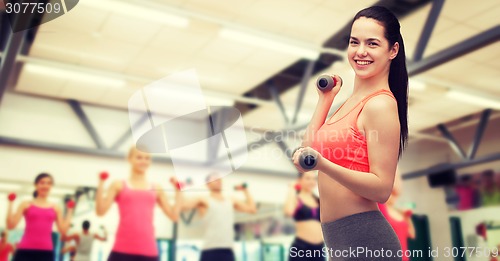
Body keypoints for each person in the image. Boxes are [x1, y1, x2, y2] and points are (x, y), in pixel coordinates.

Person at [292, 6, 408, 260]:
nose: (360, 51)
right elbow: (305, 155)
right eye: (354, 42)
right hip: (339, 239)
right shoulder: (347, 103)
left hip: (366, 238)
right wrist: (325, 99)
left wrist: (324, 164)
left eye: (372, 43)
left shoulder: (380, 104)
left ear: (393, 50)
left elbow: (381, 189)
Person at [96, 146, 181, 261]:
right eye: (139, 157)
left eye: (147, 158)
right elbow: (100, 211)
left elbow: (174, 216)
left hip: (148, 251)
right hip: (121, 249)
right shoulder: (118, 185)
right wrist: (101, 183)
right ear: (130, 159)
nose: (143, 161)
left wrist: (178, 191)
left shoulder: (156, 188)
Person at [181, 172, 257, 261]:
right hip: (210, 251)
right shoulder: (203, 200)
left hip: (228, 251)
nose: (218, 180)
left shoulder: (231, 200)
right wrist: (181, 187)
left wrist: (245, 190)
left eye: (219, 178)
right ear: (207, 184)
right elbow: (182, 206)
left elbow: (252, 209)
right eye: (214, 179)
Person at [6, 173, 73, 261]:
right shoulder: (26, 204)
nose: (45, 185)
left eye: (48, 183)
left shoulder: (55, 207)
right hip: (25, 250)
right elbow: (11, 225)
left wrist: (70, 210)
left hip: (46, 251)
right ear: (35, 185)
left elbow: (63, 230)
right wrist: (10, 203)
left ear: (51, 186)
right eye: (42, 182)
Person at [284, 171, 324, 261]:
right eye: (308, 178)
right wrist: (292, 189)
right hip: (301, 248)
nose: (311, 181)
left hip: (319, 249)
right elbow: (288, 211)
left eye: (314, 179)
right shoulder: (297, 198)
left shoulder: (317, 200)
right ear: (299, 180)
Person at [378, 173, 415, 261]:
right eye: (391, 194)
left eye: (395, 195)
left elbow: (412, 234)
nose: (394, 197)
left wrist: (407, 217)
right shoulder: (381, 211)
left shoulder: (399, 213)